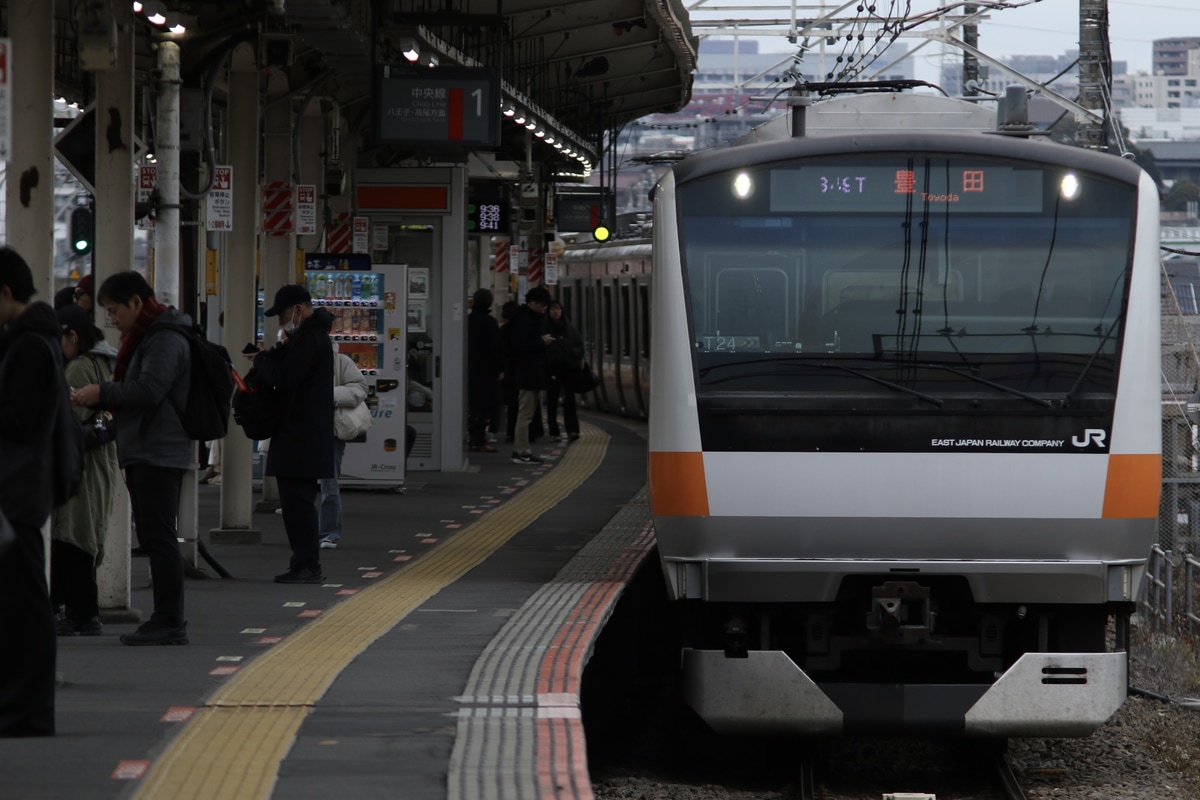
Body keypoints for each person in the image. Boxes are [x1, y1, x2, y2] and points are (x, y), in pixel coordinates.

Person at [71, 271, 193, 646]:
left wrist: (102, 391)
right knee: (155, 534)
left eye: (114, 311)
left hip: (159, 449)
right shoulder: (147, 336)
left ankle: (169, 620)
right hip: (145, 447)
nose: (112, 320)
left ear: (137, 303)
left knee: (159, 537)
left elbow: (151, 388)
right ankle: (165, 617)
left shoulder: (164, 338)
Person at [0, 248, 68, 736]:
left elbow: (19, 422)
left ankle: (28, 711)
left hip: (17, 490)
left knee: (25, 607)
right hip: (23, 487)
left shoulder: (27, 348)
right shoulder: (33, 341)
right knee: (21, 604)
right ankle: (22, 706)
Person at [252, 284, 335, 583]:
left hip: (301, 436)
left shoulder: (309, 340)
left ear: (298, 310)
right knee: (299, 504)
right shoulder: (310, 337)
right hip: (306, 436)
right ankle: (303, 561)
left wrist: (263, 360)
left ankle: (308, 565)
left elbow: (286, 381)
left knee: (297, 505)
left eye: (283, 314)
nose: (280, 322)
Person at [51, 305, 120, 636]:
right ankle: (81, 612)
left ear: (73, 336)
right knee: (81, 536)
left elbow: (68, 421)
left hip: (80, 465)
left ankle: (83, 614)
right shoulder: (101, 363)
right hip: (99, 460)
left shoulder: (78, 368)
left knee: (72, 536)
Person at [320, 342, 368, 549]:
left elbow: (360, 388)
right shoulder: (294, 356)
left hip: (331, 429)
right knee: (300, 485)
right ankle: (308, 533)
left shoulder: (341, 361)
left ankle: (329, 534)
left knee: (329, 484)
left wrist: (328, 396)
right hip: (301, 428)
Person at [509, 285, 554, 464]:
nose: (544, 309)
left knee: (528, 413)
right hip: (526, 373)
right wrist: (541, 341)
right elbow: (519, 345)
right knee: (525, 414)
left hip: (532, 373)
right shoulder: (522, 319)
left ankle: (520, 450)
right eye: (542, 305)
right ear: (532, 303)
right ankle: (522, 451)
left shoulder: (530, 317)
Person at [467, 288, 504, 453]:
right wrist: (500, 369)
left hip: (469, 370)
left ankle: (472, 438)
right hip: (487, 372)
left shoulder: (467, 320)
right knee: (485, 407)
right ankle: (479, 440)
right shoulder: (490, 322)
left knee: (472, 406)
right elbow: (495, 350)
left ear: (473, 302)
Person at [545, 300, 584, 442]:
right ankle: (553, 432)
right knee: (552, 402)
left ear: (562, 312)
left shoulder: (570, 329)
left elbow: (580, 348)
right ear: (548, 312)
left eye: (558, 309)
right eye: (553, 309)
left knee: (570, 401)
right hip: (551, 370)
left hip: (568, 370)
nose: (556, 312)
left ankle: (573, 430)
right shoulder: (544, 328)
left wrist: (569, 352)